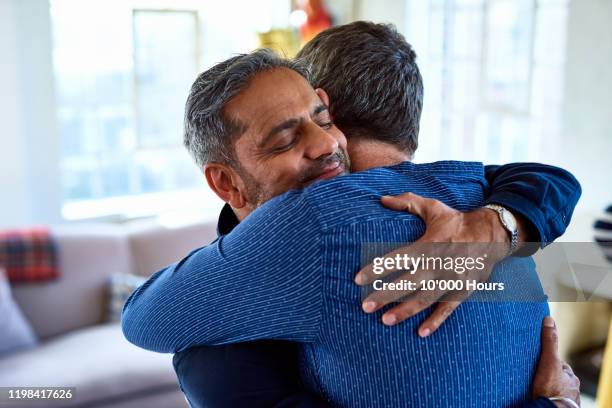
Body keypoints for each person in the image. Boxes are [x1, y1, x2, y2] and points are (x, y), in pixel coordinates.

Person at [122, 43, 580, 406]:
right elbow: (581, 265)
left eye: (323, 118)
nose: (324, 143)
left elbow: (140, 321)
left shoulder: (322, 223)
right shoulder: (476, 188)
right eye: (285, 138)